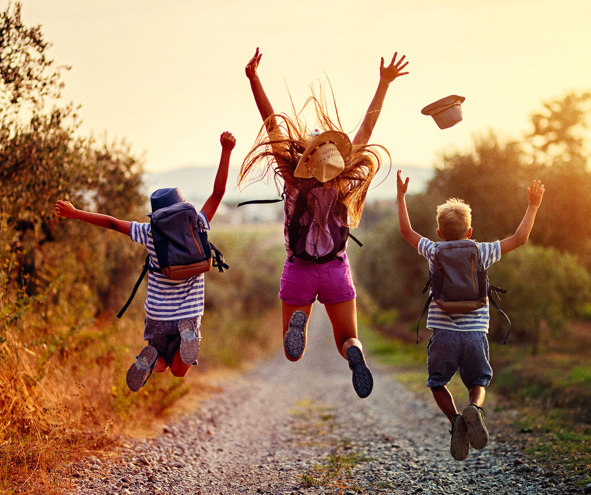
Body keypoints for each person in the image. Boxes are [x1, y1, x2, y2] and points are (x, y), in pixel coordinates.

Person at [239, 47, 409, 399]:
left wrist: (254, 79)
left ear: (303, 156)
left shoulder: (293, 181)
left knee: (291, 352)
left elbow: (271, 123)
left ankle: (299, 324)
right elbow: (367, 126)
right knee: (347, 337)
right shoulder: (344, 181)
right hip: (335, 270)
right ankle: (355, 354)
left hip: (299, 268)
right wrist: (384, 83)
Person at [55, 131, 236, 392]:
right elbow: (217, 194)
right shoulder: (197, 225)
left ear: (157, 216)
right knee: (179, 371)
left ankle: (150, 358)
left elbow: (111, 222)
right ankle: (187, 334)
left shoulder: (149, 233)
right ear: (182, 208)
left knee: (161, 362)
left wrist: (75, 213)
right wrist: (226, 150)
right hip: (189, 313)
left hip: (157, 315)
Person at [396, 170, 545, 460]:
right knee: (478, 381)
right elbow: (520, 237)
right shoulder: (482, 251)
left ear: (439, 233)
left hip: (443, 335)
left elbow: (406, 231)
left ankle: (455, 420)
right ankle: (474, 408)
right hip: (475, 333)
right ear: (469, 231)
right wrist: (533, 205)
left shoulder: (433, 250)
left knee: (437, 382)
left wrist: (401, 197)